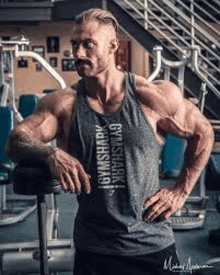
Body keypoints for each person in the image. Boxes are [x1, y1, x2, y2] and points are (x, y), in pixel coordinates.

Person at [5, 8, 214, 275]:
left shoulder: (151, 97)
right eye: (75, 44)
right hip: (93, 249)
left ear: (113, 46)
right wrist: (50, 154)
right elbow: (15, 140)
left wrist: (180, 192)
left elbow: (204, 132)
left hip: (152, 246)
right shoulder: (63, 104)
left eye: (88, 44)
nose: (78, 53)